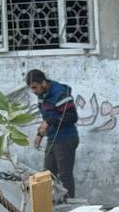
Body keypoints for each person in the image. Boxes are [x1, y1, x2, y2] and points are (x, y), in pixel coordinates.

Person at [26, 69, 80, 199]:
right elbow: (47, 118)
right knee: (48, 174)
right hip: (53, 137)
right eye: (31, 88)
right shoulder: (42, 96)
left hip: (66, 138)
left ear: (43, 83)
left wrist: (49, 122)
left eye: (35, 87)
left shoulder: (60, 94)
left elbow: (72, 117)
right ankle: (52, 203)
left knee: (64, 174)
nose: (33, 91)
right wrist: (40, 134)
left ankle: (69, 203)